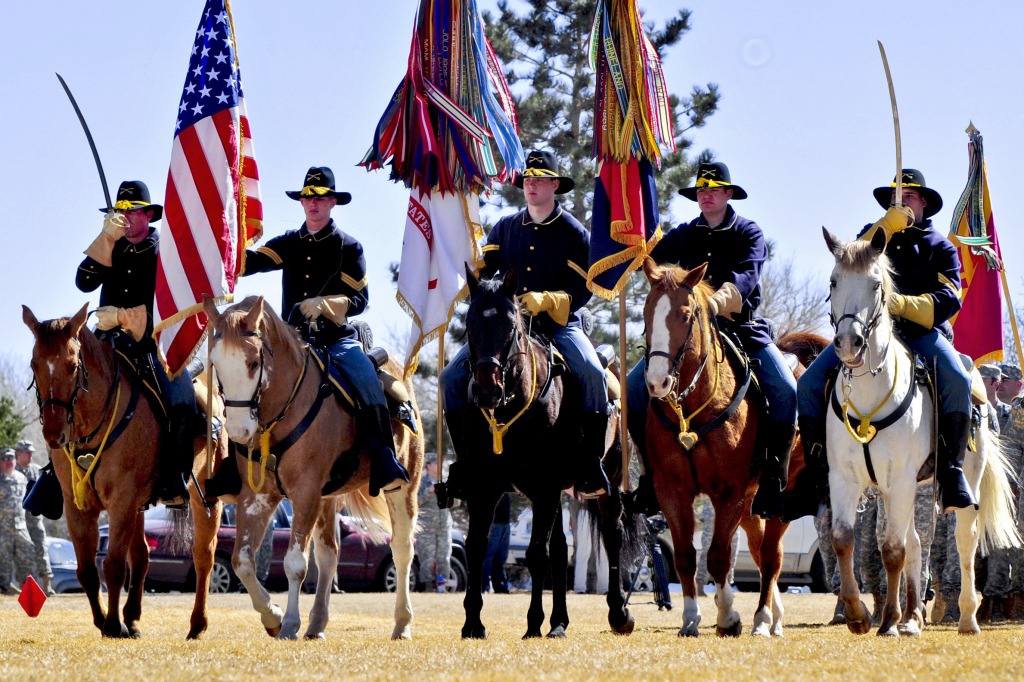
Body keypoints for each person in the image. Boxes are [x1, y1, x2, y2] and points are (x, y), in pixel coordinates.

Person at [625, 162, 797, 519]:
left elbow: (746, 278)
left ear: (728, 194)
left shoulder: (749, 233)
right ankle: (649, 478)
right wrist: (634, 247)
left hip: (738, 328)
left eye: (714, 190)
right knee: (632, 389)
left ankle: (773, 483)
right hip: (685, 334)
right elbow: (650, 259)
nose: (706, 196)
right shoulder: (684, 234)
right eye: (701, 191)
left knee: (785, 390)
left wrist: (713, 302)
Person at [797, 169, 977, 512]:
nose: (902, 202)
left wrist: (902, 305)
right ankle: (816, 471)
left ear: (924, 202)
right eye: (896, 197)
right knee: (807, 385)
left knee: (956, 378)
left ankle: (951, 472)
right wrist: (887, 224)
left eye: (909, 196)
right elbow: (849, 259)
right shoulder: (873, 238)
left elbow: (950, 297)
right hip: (866, 334)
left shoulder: (940, 247)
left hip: (920, 333)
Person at [440, 150, 609, 499]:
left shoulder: (574, 233)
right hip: (508, 330)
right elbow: (482, 269)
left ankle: (592, 464)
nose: (531, 184)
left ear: (554, 185)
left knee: (592, 372)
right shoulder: (506, 226)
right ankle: (466, 462)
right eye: (527, 179)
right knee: (450, 377)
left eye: (539, 179)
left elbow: (583, 289)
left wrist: (548, 299)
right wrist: (456, 256)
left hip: (558, 326)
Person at [232, 166, 408, 497]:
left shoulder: (349, 247)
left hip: (336, 340)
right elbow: (250, 263)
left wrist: (328, 304)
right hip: (290, 342)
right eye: (307, 198)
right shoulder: (288, 242)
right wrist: (225, 246)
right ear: (301, 203)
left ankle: (385, 460)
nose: (312, 204)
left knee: (368, 382)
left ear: (332, 203)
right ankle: (233, 467)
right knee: (239, 375)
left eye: (320, 198)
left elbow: (360, 300)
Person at [75, 180, 194, 508]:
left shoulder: (164, 251)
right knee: (64, 391)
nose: (126, 218)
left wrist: (128, 317)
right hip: (104, 346)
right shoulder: (110, 244)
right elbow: (83, 281)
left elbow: (177, 302)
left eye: (132, 211)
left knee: (183, 400)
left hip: (150, 346)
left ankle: (174, 478)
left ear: (147, 215)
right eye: (121, 212)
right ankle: (53, 475)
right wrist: (105, 237)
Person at [14, 440, 53, 596]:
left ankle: (47, 586)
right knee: (21, 552)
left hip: (34, 518)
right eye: (27, 452)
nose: (31, 455)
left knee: (41, 548)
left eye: (31, 453)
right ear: (19, 453)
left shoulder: (37, 470)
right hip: (17, 521)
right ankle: (23, 586)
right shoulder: (11, 470)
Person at [0, 448, 36, 595]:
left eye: (11, 458)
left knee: (28, 555)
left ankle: (28, 589)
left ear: (15, 460)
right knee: (3, 560)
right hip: (2, 528)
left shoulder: (21, 478)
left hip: (21, 527)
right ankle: (3, 588)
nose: (9, 462)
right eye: (5, 459)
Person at [416, 453, 452, 591]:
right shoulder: (421, 482)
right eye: (435, 462)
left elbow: (456, 503)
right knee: (427, 559)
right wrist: (429, 491)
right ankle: (428, 587)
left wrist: (447, 493)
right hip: (426, 528)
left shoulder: (447, 481)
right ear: (428, 465)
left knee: (443, 558)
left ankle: (442, 587)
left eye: (439, 462)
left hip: (443, 526)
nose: (438, 465)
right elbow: (415, 502)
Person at [481, 493, 511, 593]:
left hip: (505, 522)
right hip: (494, 522)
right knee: (488, 556)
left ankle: (500, 586)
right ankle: (484, 585)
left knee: (501, 556)